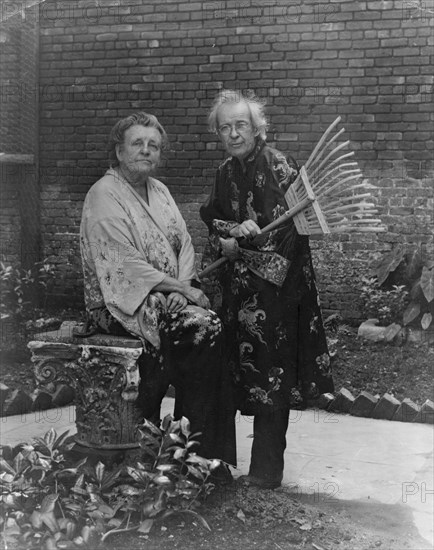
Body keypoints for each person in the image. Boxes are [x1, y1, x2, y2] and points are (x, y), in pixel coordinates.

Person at [80, 112, 236, 468]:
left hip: (169, 296)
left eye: (154, 146)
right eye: (137, 144)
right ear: (119, 152)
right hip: (119, 303)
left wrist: (183, 289)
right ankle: (161, 452)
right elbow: (121, 262)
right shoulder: (103, 194)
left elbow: (184, 244)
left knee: (208, 327)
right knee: (201, 328)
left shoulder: (160, 191)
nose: (146, 151)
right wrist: (176, 288)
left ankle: (196, 455)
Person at [200, 90, 334, 489]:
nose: (233, 133)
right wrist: (230, 234)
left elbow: (295, 233)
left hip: (278, 294)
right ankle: (218, 463)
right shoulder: (225, 172)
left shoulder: (278, 165)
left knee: (271, 375)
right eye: (225, 127)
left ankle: (265, 471)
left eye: (240, 124)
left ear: (256, 127)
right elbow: (213, 219)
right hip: (236, 292)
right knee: (232, 371)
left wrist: (251, 242)